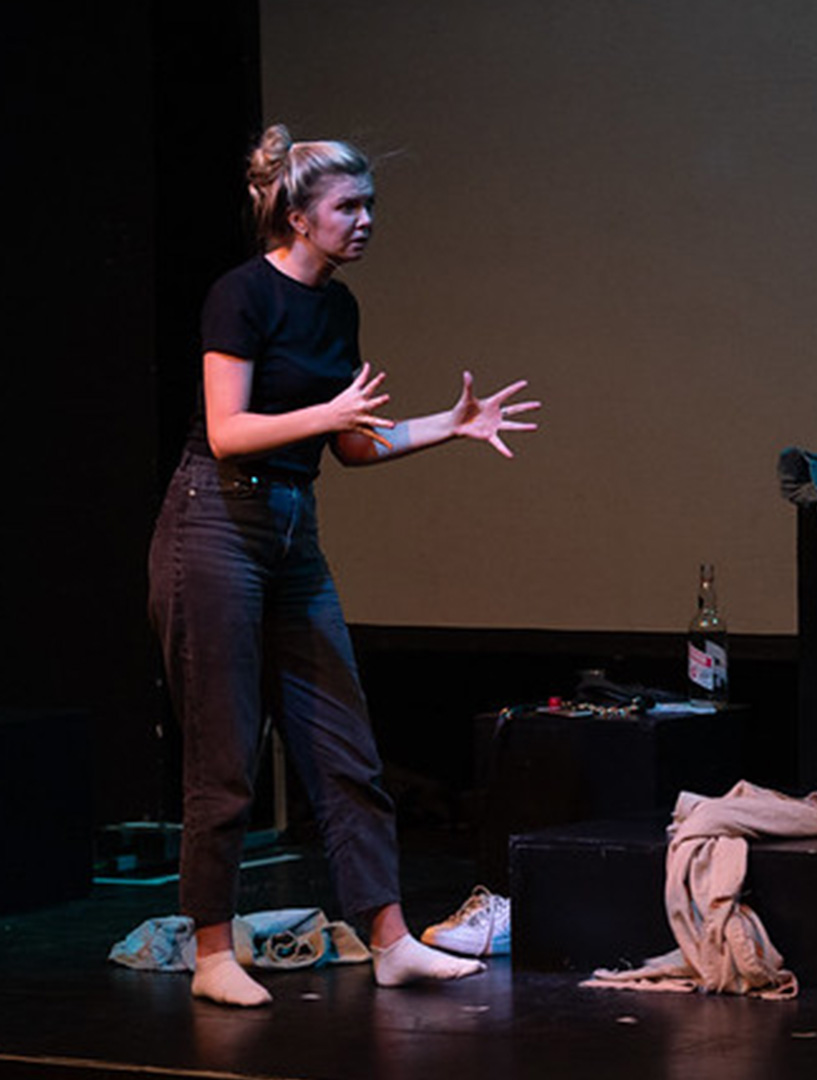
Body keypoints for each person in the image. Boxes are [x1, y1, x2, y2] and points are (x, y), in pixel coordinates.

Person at [148, 123, 539, 1007]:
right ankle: (213, 955)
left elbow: (353, 444)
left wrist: (448, 425)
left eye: (370, 206)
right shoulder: (240, 296)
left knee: (346, 746)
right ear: (297, 215)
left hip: (292, 528)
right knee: (225, 757)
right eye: (348, 207)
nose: (365, 222)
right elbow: (227, 431)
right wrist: (326, 416)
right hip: (215, 524)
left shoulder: (335, 306)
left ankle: (391, 939)